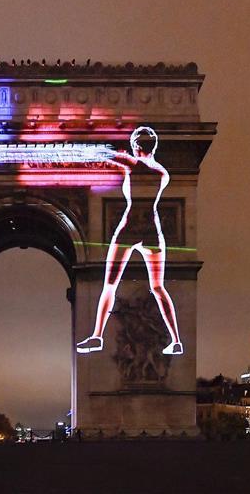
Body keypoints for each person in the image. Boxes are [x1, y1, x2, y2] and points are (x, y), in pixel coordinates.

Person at [76, 126, 183, 356]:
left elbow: (110, 156)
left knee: (110, 285)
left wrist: (89, 151)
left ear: (136, 146)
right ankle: (176, 340)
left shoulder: (134, 165)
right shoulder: (163, 173)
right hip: (153, 230)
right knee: (158, 287)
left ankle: (96, 336)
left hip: (129, 229)